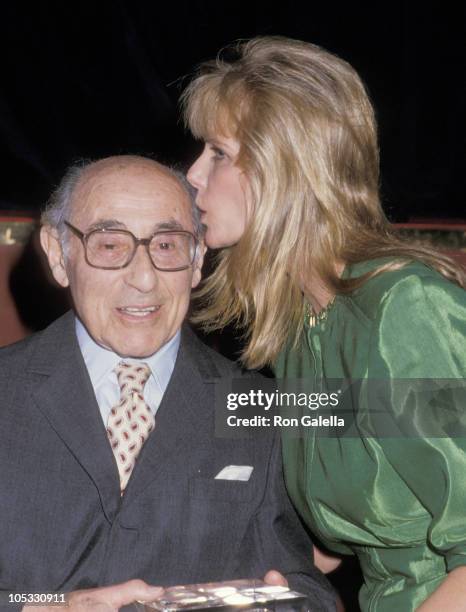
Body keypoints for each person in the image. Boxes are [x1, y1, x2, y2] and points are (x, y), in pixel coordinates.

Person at [182, 36, 466, 611]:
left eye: (217, 152)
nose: (191, 174)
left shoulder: (406, 309)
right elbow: (349, 514)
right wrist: (220, 592)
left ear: (281, 165)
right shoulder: (298, 328)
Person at [0, 155, 336, 612]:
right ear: (59, 255)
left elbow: (307, 587)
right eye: (110, 244)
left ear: (197, 260)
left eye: (167, 245)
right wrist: (43, 604)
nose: (143, 279)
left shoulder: (259, 407)